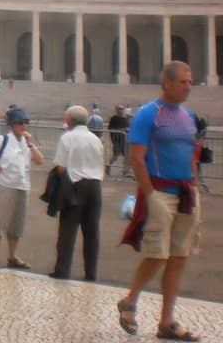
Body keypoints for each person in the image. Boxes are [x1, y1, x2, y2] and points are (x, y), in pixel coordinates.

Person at [117, 62, 202, 341]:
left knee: (179, 257)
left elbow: (191, 153)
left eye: (190, 82)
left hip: (186, 193)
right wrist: (150, 195)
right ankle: (130, 300)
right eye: (183, 82)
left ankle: (167, 320)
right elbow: (137, 158)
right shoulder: (147, 115)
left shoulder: (189, 116)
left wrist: (193, 183)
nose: (188, 86)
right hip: (160, 192)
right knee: (157, 254)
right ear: (166, 82)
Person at [0, 107, 43, 270]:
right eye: (19, 123)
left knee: (16, 225)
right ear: (11, 125)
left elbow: (40, 160)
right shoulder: (3, 139)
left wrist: (30, 143)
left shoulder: (26, 143)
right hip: (4, 185)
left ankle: (12, 256)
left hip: (22, 186)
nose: (23, 126)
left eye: (24, 122)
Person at [49, 105, 104, 281]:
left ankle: (63, 269)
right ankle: (91, 272)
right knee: (92, 231)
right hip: (95, 186)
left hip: (75, 184)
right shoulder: (96, 139)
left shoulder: (68, 138)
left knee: (68, 230)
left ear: (69, 120)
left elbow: (60, 166)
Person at [107, 104, 131, 177]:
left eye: (122, 109)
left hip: (124, 139)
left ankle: (125, 171)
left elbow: (128, 128)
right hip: (116, 140)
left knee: (126, 156)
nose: (121, 110)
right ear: (116, 110)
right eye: (119, 109)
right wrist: (121, 130)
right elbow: (110, 129)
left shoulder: (125, 119)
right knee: (115, 155)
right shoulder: (114, 118)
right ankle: (108, 166)